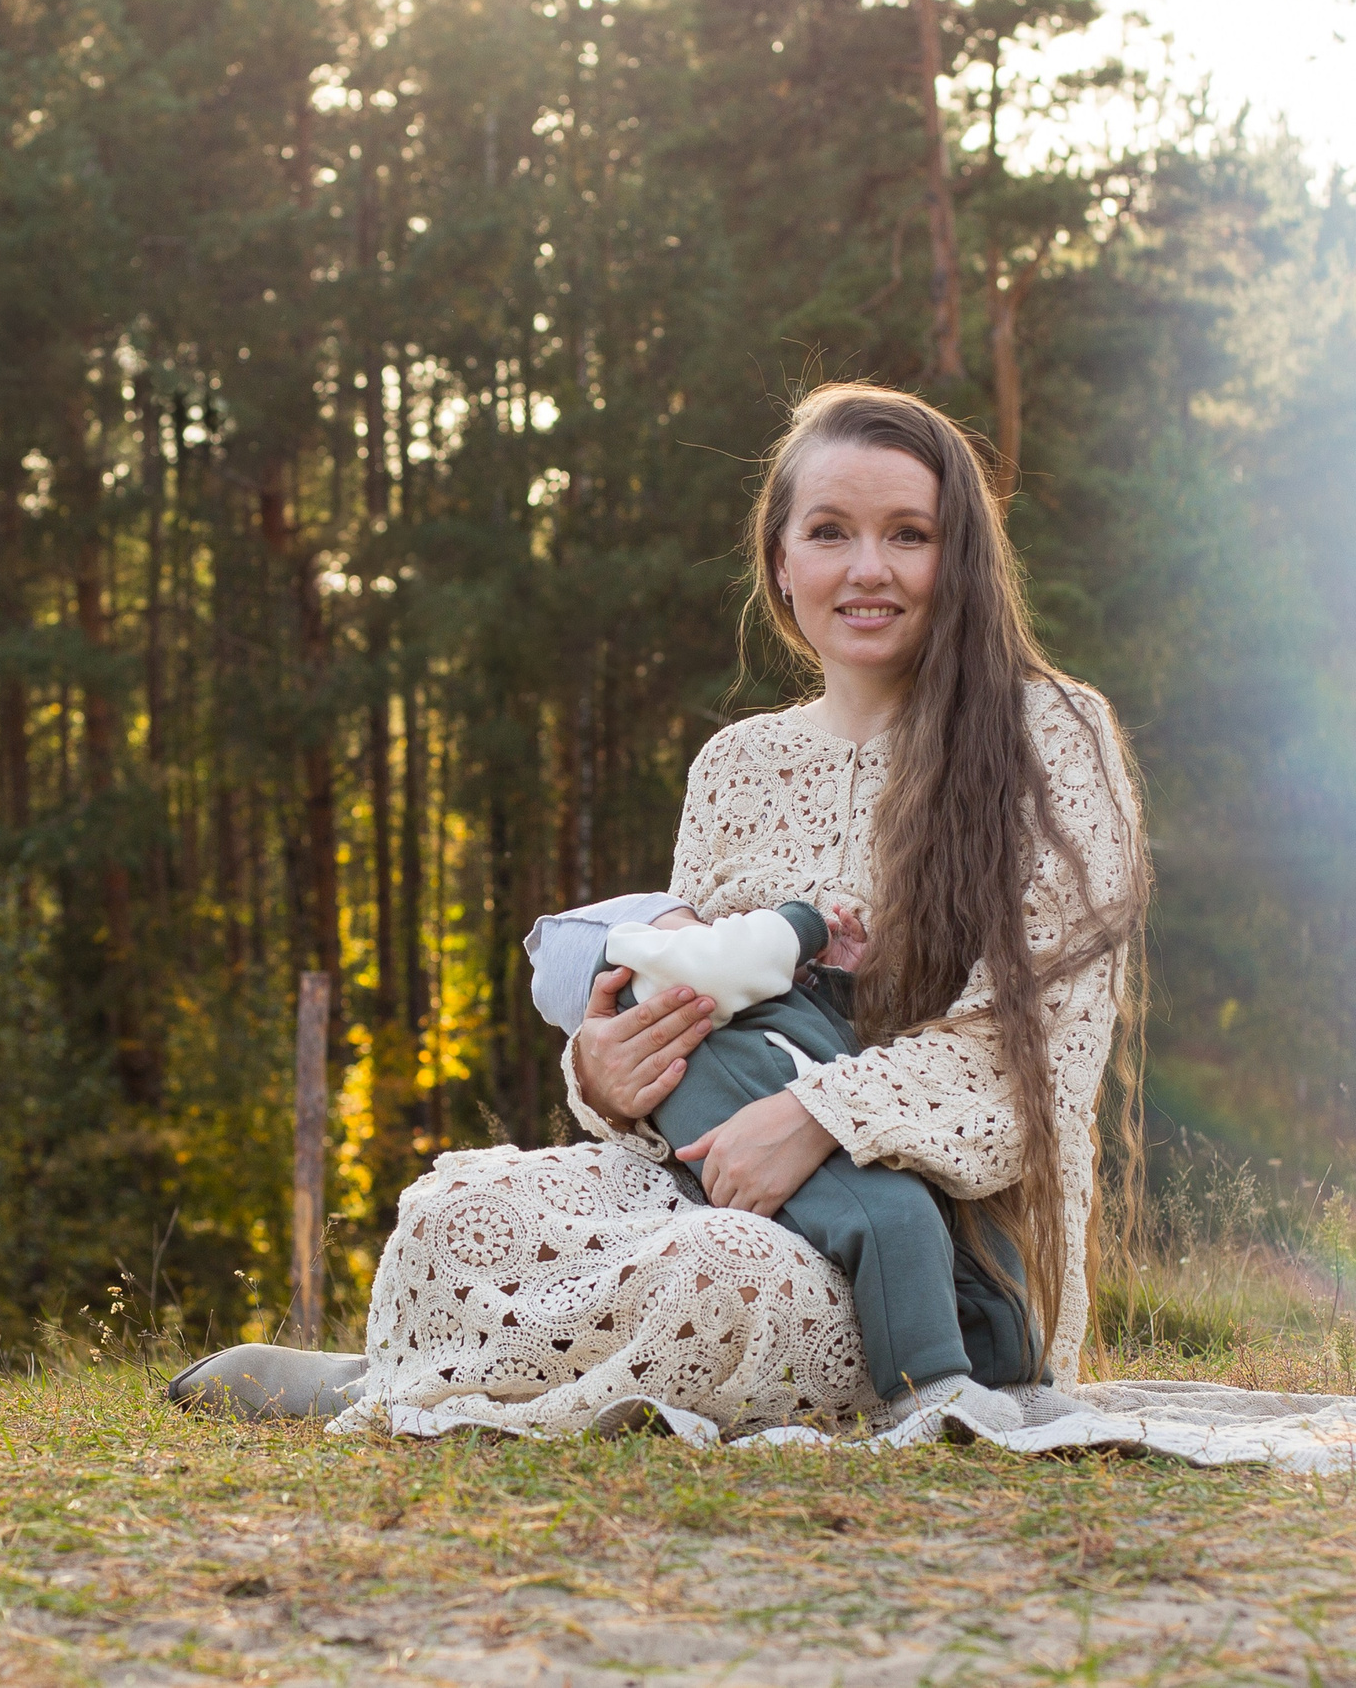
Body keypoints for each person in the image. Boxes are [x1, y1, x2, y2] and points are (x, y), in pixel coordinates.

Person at [167, 381, 1150, 1435]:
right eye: (829, 533)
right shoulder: (736, 765)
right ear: (781, 562)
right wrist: (606, 1073)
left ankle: (410, 1381)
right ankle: (408, 1372)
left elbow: (1038, 1042)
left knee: (709, 1274)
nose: (868, 569)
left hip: (944, 1259)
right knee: (463, 1212)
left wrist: (817, 1119)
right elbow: (690, 1002)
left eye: (908, 534)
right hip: (718, 1185)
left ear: (959, 560)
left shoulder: (1050, 735)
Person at [526, 892, 1041, 1418]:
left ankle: (1018, 1383)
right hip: (790, 1165)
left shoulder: (733, 1005)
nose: (714, 923)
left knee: (970, 1220)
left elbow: (829, 1029)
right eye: (686, 920)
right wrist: (805, 923)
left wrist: (837, 980)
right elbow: (729, 955)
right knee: (894, 1216)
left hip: (837, 1133)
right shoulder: (651, 969)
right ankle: (930, 1390)